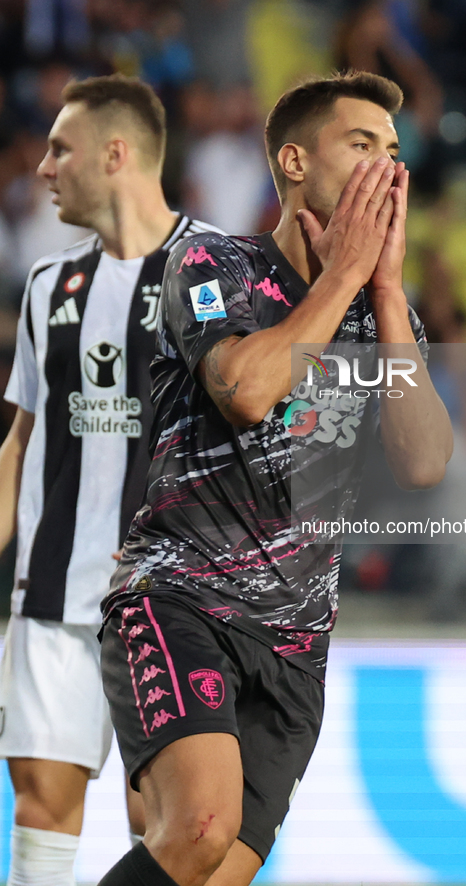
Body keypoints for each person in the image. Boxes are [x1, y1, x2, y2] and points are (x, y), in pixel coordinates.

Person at [98, 70, 454, 886]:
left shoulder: (383, 319)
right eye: (361, 144)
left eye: (394, 152)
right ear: (294, 162)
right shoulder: (212, 262)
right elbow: (248, 389)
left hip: (295, 646)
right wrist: (340, 278)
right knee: (200, 825)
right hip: (181, 597)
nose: (386, 168)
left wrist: (387, 286)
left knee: (207, 868)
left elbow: (425, 461)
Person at [0, 73, 221, 885]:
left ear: (115, 154)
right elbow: (21, 443)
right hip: (51, 597)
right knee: (39, 817)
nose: (44, 168)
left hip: (167, 606)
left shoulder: (214, 272)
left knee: (162, 825)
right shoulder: (45, 286)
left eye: (61, 148)